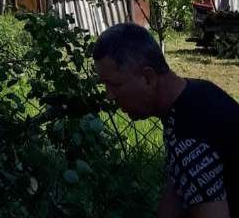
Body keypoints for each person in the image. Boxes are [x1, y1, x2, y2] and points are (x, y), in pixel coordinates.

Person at [92, 21, 239, 215]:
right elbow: (176, 186)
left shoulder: (190, 136)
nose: (109, 96)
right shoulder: (195, 94)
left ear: (148, 78)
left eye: (114, 85)